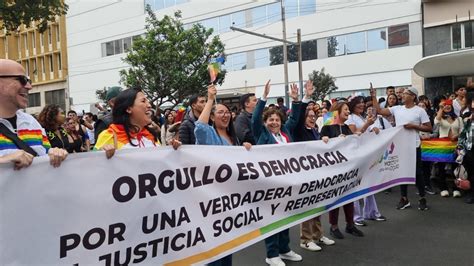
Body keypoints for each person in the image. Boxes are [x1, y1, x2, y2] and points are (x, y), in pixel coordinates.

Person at [194, 85, 252, 266]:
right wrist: (210, 100)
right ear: (212, 116)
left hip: (230, 202)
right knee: (214, 253)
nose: (225, 115)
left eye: (227, 112)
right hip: (212, 200)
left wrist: (246, 150)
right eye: (220, 112)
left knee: (228, 248)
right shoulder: (209, 134)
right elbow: (199, 128)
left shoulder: (233, 138)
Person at [252, 80, 303, 266]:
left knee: (286, 216)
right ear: (266, 122)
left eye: (277, 120)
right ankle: (272, 254)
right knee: (272, 218)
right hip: (269, 184)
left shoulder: (285, 132)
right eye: (271, 120)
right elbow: (255, 119)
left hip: (287, 183)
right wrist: (263, 99)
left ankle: (284, 249)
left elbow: (295, 119)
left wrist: (296, 101)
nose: (274, 122)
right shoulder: (262, 134)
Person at [371, 85, 432, 211]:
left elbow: (429, 127)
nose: (402, 95)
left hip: (414, 145)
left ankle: (422, 197)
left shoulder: (419, 110)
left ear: (413, 96)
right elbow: (380, 111)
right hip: (400, 145)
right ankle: (404, 198)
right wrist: (373, 96)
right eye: (402, 93)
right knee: (402, 171)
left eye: (405, 93)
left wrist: (414, 126)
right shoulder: (397, 109)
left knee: (417, 173)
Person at [0, 59, 67, 168]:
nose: (29, 86)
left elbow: (45, 153)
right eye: (22, 80)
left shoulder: (31, 122)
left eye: (29, 81)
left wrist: (55, 153)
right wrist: (3, 161)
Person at [293, 80, 336, 252]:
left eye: (313, 116)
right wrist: (306, 97)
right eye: (309, 116)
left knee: (318, 205)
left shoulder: (315, 131)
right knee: (307, 206)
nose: (312, 118)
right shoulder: (299, 130)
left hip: (318, 173)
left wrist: (324, 140)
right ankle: (306, 238)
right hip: (304, 174)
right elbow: (299, 114)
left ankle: (318, 235)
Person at [320, 101, 364, 240]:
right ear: (337, 111)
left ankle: (350, 225)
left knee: (349, 197)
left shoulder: (345, 127)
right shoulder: (327, 127)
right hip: (333, 170)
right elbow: (321, 145)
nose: (348, 112)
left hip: (347, 169)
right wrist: (330, 140)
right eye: (345, 109)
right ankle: (334, 227)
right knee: (335, 198)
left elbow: (353, 143)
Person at [95, 88, 179, 158]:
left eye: (148, 101)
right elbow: (91, 167)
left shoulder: (150, 135)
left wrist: (172, 150)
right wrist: (101, 155)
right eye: (143, 101)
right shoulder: (109, 135)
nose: (149, 105)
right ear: (128, 109)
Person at [345, 96, 386, 226]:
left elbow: (366, 131)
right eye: (359, 103)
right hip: (356, 155)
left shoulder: (362, 117)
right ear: (353, 105)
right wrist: (368, 125)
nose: (362, 105)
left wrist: (373, 129)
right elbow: (354, 134)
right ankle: (356, 217)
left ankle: (371, 212)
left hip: (366, 154)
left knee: (369, 182)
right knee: (356, 185)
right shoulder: (351, 118)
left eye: (363, 103)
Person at [434, 99, 463, 198]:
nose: (447, 106)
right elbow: (436, 122)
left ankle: (456, 188)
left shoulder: (458, 118)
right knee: (441, 167)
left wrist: (457, 135)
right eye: (445, 105)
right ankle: (443, 188)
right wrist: (440, 108)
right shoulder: (440, 118)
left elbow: (463, 131)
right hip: (442, 146)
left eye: (449, 105)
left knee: (456, 167)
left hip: (456, 145)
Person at [457, 99, 474, 204]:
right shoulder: (468, 119)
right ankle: (472, 193)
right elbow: (462, 135)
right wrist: (460, 147)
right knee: (471, 172)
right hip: (470, 149)